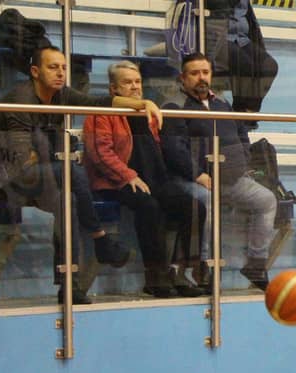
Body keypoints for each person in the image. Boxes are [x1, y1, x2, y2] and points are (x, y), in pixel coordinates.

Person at [0, 46, 155, 304]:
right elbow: (20, 158)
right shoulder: (20, 100)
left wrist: (142, 103)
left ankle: (69, 285)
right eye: (53, 67)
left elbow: (97, 103)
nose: (60, 73)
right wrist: (48, 155)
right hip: (3, 178)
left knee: (69, 201)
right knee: (70, 169)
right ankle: (101, 240)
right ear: (35, 71)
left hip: (38, 175)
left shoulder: (61, 94)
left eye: (63, 67)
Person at [82, 61, 206, 298]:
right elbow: (100, 153)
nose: (135, 87)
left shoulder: (149, 112)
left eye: (137, 81)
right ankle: (156, 276)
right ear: (113, 89)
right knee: (149, 206)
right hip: (116, 182)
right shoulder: (102, 113)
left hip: (154, 178)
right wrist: (128, 175)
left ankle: (180, 271)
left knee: (194, 206)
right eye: (127, 83)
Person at [160, 52, 275, 291]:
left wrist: (243, 162)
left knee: (266, 200)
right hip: (192, 180)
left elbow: (241, 134)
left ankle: (255, 265)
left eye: (205, 72)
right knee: (205, 201)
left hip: (231, 178)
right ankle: (201, 268)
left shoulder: (222, 102)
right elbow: (173, 149)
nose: (201, 77)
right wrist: (197, 174)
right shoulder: (174, 105)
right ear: (183, 78)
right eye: (194, 73)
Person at [204, 0, 279, 121]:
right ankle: (240, 115)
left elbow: (248, 16)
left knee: (270, 66)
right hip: (218, 38)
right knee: (245, 66)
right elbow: (214, 5)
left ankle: (249, 111)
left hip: (242, 39)